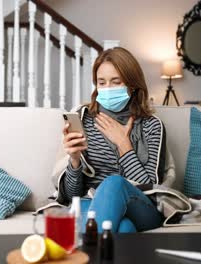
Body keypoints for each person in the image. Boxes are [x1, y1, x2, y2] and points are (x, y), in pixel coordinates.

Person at [60, 47, 166, 233]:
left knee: (114, 183)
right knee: (124, 228)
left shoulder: (151, 125)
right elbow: (72, 195)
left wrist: (124, 145)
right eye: (101, 82)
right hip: (94, 202)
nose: (107, 88)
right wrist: (75, 160)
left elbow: (151, 189)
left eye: (116, 82)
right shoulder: (84, 120)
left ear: (132, 85)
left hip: (141, 206)